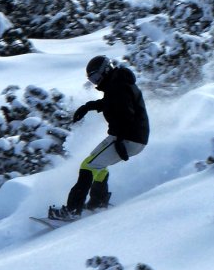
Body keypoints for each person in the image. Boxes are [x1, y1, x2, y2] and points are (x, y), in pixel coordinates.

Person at [48, 56, 149, 221]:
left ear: (106, 70)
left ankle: (73, 210)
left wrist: (120, 142)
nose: (95, 82)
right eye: (91, 79)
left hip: (128, 138)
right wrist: (88, 107)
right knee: (97, 164)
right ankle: (98, 202)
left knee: (88, 166)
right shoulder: (117, 84)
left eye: (96, 77)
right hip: (130, 137)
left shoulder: (119, 87)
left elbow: (126, 115)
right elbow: (111, 103)